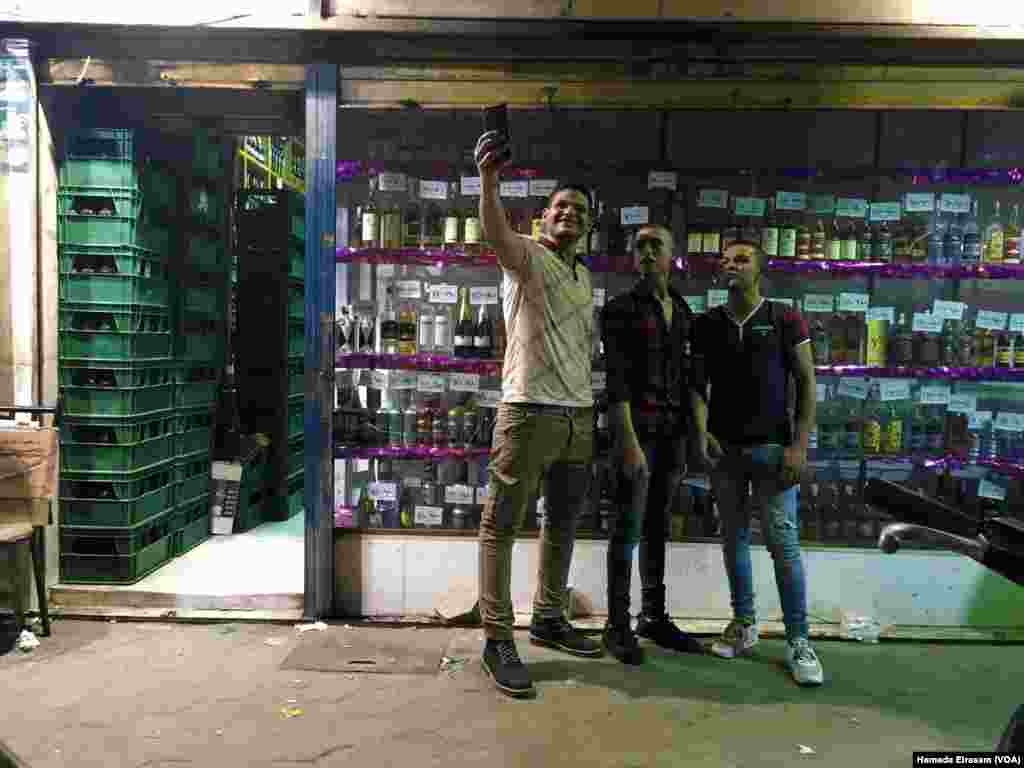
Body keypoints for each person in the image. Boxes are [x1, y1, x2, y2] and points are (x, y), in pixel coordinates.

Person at [473, 129, 603, 699]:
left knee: (562, 523)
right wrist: (488, 179)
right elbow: (494, 230)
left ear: (589, 225)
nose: (568, 214)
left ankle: (549, 616)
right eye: (559, 207)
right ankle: (497, 638)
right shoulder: (525, 255)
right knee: (501, 524)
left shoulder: (583, 275)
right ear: (542, 219)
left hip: (578, 416)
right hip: (528, 410)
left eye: (578, 210)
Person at [689, 239, 824, 686]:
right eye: (725, 261)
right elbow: (697, 385)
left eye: (742, 259)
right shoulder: (708, 323)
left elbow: (806, 383)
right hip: (725, 451)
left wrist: (799, 447)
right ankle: (744, 624)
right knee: (734, 540)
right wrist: (702, 428)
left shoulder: (784, 317)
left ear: (760, 268)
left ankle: (799, 639)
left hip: (773, 450)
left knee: (783, 544)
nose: (732, 265)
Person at [600, 224, 705, 664]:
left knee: (658, 528)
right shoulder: (619, 309)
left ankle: (653, 616)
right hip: (636, 434)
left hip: (671, 436)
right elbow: (617, 383)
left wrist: (696, 436)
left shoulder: (682, 311)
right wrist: (627, 442)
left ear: (671, 256)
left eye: (654, 245)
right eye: (639, 246)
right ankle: (617, 625)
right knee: (627, 528)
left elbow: (692, 380)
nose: (646, 252)